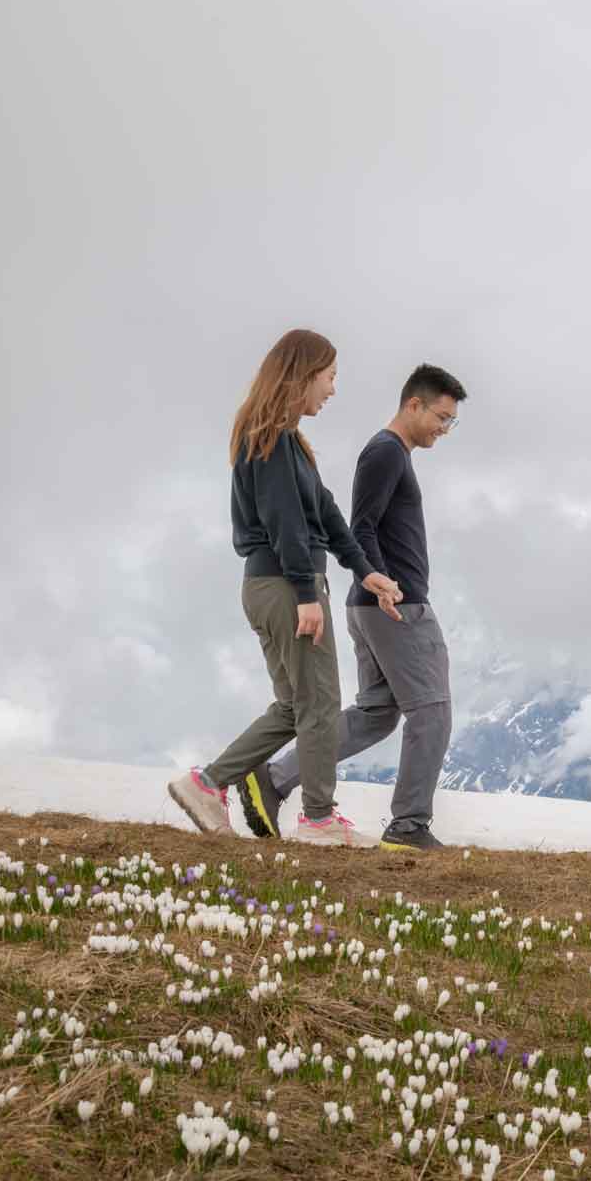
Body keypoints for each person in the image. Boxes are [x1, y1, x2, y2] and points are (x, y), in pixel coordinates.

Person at [167, 329, 402, 847]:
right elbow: (287, 523)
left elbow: (327, 512)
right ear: (304, 374)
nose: (333, 390)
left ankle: (206, 783)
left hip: (269, 583)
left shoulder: (286, 442)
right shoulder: (270, 439)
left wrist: (363, 570)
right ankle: (318, 820)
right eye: (330, 377)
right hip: (286, 583)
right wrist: (305, 594)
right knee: (319, 703)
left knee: (295, 706)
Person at [231, 363, 466, 852]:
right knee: (432, 711)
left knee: (378, 713)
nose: (444, 429)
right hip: (396, 604)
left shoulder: (392, 454)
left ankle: (272, 780)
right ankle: (408, 825)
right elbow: (360, 527)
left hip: (374, 604)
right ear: (413, 404)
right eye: (441, 418)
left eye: (451, 422)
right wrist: (382, 585)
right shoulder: (385, 453)